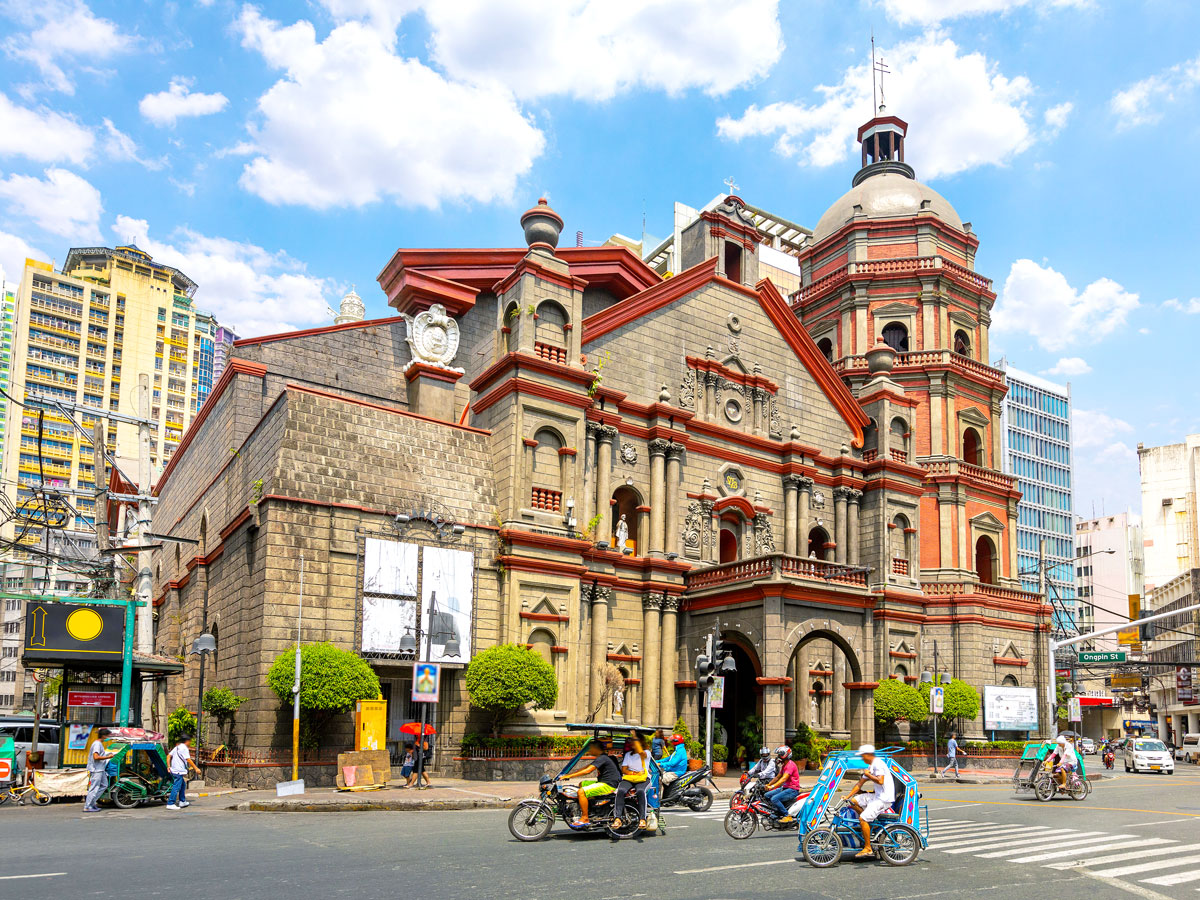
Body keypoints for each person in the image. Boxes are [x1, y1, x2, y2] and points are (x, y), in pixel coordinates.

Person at [845, 744, 896, 859]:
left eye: (863, 756)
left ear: (868, 755)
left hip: (884, 799)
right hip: (876, 796)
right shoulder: (871, 766)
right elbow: (859, 784)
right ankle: (868, 824)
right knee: (853, 801)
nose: (862, 758)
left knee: (862, 818)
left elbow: (880, 781)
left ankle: (868, 847)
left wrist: (868, 774)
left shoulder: (878, 764)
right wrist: (847, 796)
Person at [562, 739, 620, 826]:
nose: (589, 750)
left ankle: (585, 818)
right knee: (582, 784)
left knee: (581, 792)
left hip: (608, 785)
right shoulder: (601, 758)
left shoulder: (602, 758)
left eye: (591, 748)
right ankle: (591, 806)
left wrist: (569, 776)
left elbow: (588, 771)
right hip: (603, 782)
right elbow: (586, 767)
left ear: (596, 748)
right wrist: (568, 774)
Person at [613, 733, 650, 830]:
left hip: (643, 779)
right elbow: (624, 769)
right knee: (620, 791)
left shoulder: (646, 753)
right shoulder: (628, 755)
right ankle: (618, 818)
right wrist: (634, 773)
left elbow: (641, 753)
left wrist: (635, 737)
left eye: (635, 741)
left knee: (640, 791)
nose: (632, 743)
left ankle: (642, 819)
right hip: (630, 778)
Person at [764, 745, 801, 822]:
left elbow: (783, 779)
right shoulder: (785, 765)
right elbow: (777, 777)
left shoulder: (790, 765)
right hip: (785, 788)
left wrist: (773, 786)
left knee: (774, 799)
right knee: (767, 795)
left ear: (785, 755)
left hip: (792, 789)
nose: (778, 757)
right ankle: (778, 811)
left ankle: (787, 815)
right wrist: (769, 784)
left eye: (780, 755)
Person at [83, 728, 114, 812]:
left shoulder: (99, 744)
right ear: (104, 736)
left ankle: (92, 803)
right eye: (107, 736)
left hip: (101, 769)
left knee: (104, 785)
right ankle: (87, 806)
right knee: (94, 787)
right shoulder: (97, 744)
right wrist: (108, 757)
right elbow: (96, 757)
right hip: (96, 769)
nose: (108, 738)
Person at [166, 734, 201, 810]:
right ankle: (170, 803)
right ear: (187, 741)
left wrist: (168, 766)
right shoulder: (184, 748)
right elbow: (188, 759)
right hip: (178, 771)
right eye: (190, 741)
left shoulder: (177, 747)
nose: (190, 743)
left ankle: (182, 801)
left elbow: (168, 756)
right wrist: (196, 768)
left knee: (183, 785)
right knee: (176, 787)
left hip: (174, 770)